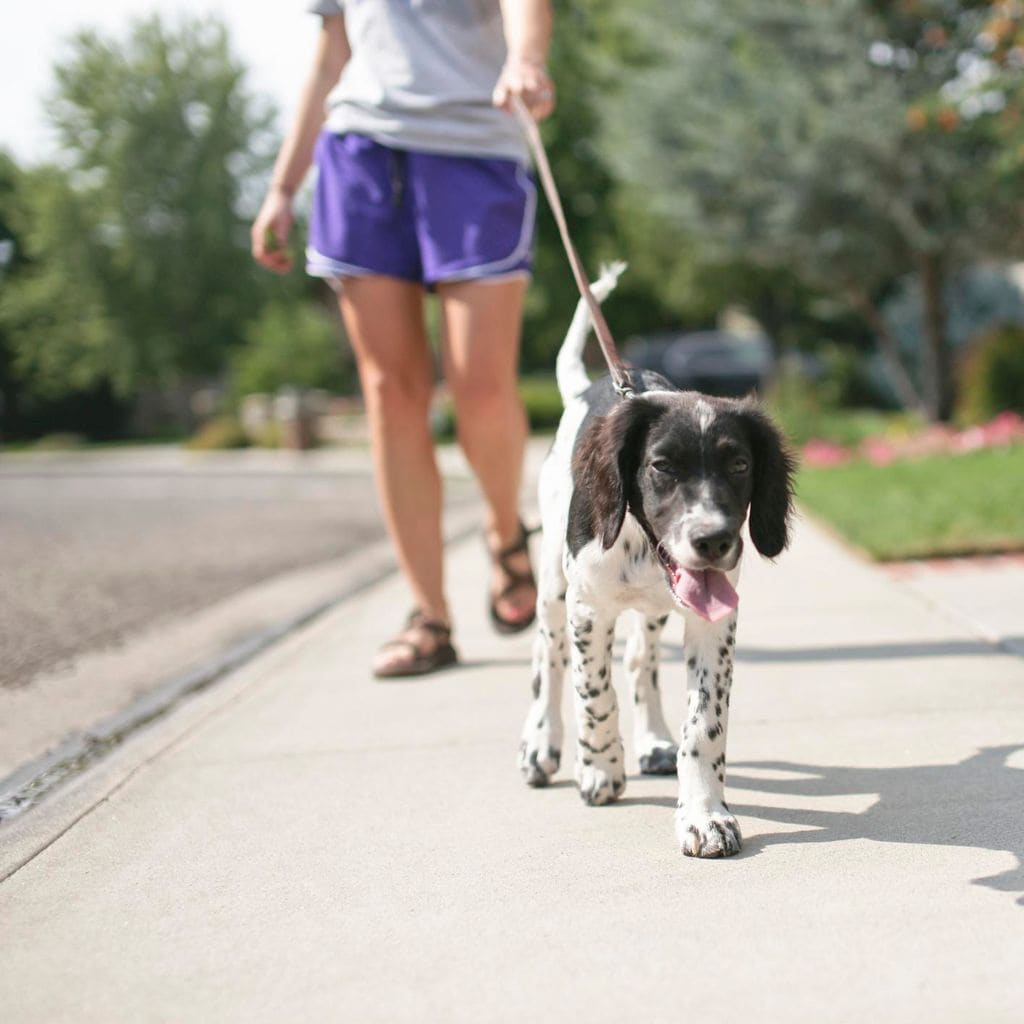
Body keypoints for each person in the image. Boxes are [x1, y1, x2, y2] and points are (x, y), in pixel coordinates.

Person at [251, 0, 555, 677]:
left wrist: (526, 59)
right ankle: (430, 616)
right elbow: (333, 50)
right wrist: (281, 186)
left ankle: (506, 532)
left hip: (474, 149)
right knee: (390, 391)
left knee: (479, 386)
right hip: (360, 152)